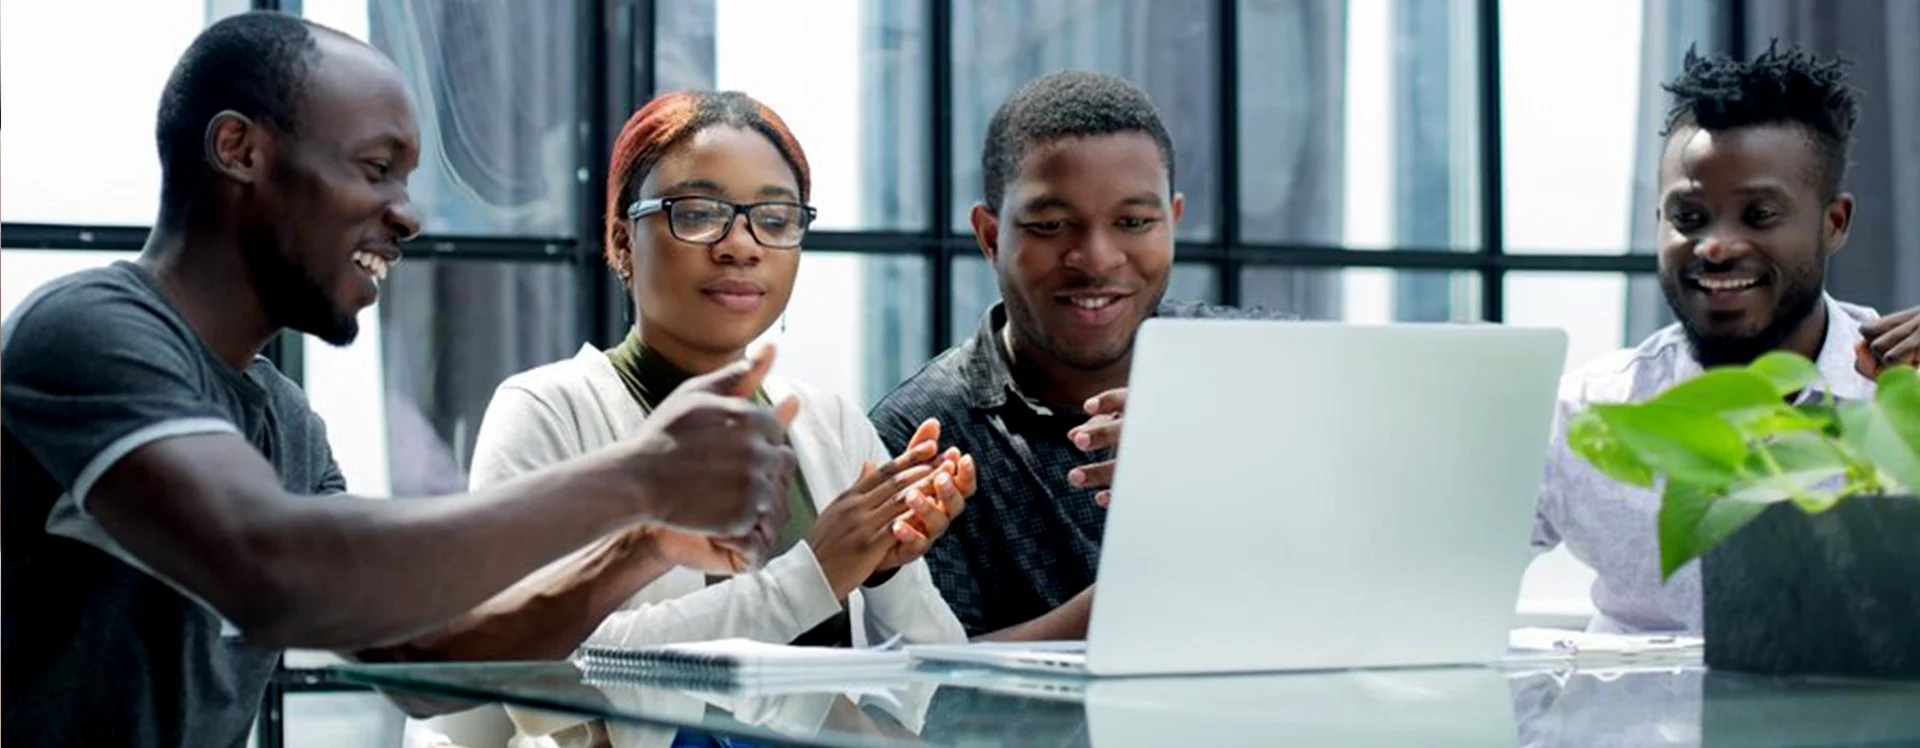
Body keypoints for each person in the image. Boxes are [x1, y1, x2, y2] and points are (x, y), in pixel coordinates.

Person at [0, 14, 796, 748]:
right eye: (376, 169)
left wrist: (640, 544)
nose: (406, 215)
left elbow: (425, 654)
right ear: (240, 149)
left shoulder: (282, 418)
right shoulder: (89, 328)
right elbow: (273, 573)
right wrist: (637, 479)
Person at [401, 89, 976, 748]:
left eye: (775, 217)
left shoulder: (831, 425)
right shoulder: (547, 411)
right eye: (698, 214)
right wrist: (815, 575)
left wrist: (884, 566)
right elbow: (549, 669)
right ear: (621, 239)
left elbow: (935, 683)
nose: (741, 245)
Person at [868, 71, 1284, 640]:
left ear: (1174, 222)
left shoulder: (1266, 371)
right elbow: (921, 689)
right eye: (1051, 225)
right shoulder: (916, 434)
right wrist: (1146, 585)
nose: (1097, 257)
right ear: (990, 237)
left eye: (1134, 222)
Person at [1531, 43, 1920, 634]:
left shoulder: (1900, 395)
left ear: (1833, 223)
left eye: (1760, 214)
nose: (1715, 245)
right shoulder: (1590, 412)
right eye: (1688, 218)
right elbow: (1428, 568)